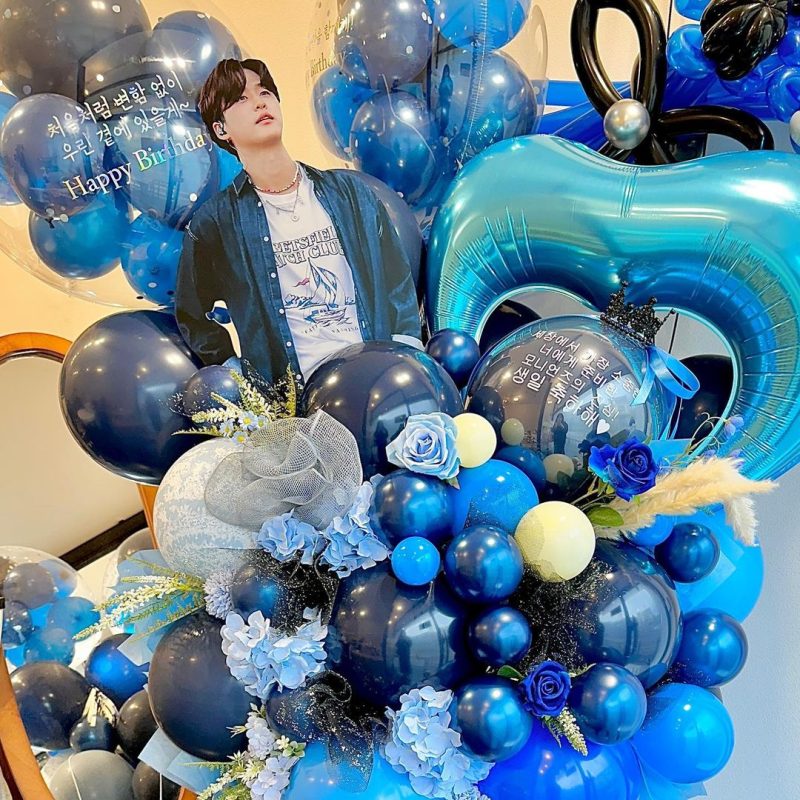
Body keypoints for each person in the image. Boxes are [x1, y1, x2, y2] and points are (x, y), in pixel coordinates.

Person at [175, 58, 421, 387]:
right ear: (221, 129)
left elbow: (397, 280)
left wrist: (406, 353)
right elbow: (191, 313)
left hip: (376, 380)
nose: (259, 102)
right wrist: (233, 371)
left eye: (264, 92)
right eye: (241, 98)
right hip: (295, 402)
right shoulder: (217, 222)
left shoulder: (349, 193)